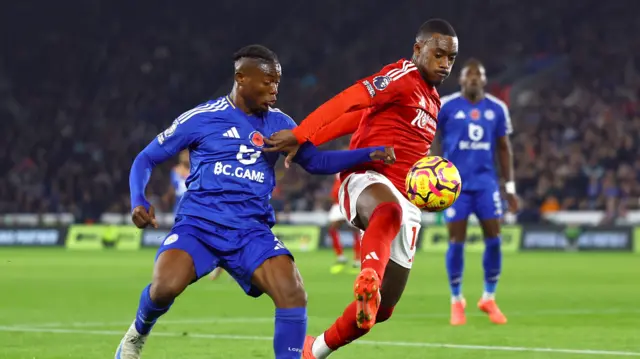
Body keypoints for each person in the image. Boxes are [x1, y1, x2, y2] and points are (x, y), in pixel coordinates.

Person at [115, 44, 395, 359]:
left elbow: (316, 162)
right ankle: (137, 335)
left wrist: (366, 155)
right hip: (200, 225)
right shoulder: (202, 118)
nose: (275, 89)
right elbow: (146, 158)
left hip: (251, 230)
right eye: (268, 82)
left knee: (293, 293)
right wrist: (137, 200)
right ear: (241, 78)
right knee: (165, 287)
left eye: (278, 82)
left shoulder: (280, 123)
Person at [265, 19, 458, 358]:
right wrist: (304, 134)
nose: (444, 64)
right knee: (388, 211)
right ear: (418, 49)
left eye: (451, 58)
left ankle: (315, 350)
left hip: (408, 199)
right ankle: (367, 274)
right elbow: (352, 101)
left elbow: (362, 117)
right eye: (438, 54)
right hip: (369, 177)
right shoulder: (401, 77)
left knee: (383, 310)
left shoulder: (434, 100)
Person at [437, 58, 519, 325]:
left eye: (478, 75)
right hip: (454, 185)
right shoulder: (447, 106)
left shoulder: (497, 108)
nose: (473, 78)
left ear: (484, 80)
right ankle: (456, 299)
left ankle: (489, 297)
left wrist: (509, 187)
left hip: (486, 184)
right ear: (460, 80)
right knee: (456, 241)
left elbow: (504, 148)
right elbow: (433, 139)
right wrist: (434, 173)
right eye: (468, 75)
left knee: (494, 239)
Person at [327, 173, 362, 274]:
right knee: (332, 229)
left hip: (349, 202)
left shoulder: (351, 167)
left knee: (356, 229)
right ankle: (341, 257)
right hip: (337, 204)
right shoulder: (337, 168)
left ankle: (357, 259)